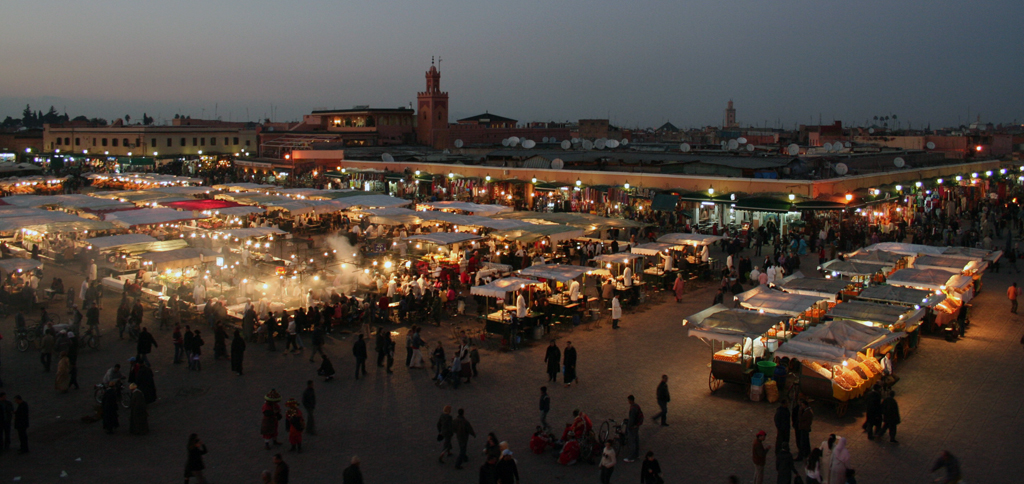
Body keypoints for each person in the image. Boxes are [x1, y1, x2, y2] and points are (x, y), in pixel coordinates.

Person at [624, 395, 642, 462]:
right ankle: (637, 454)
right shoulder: (636, 406)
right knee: (636, 440)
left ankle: (631, 457)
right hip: (636, 426)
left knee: (632, 441)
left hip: (633, 427)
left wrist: (629, 426)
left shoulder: (633, 408)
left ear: (630, 400)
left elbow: (632, 419)